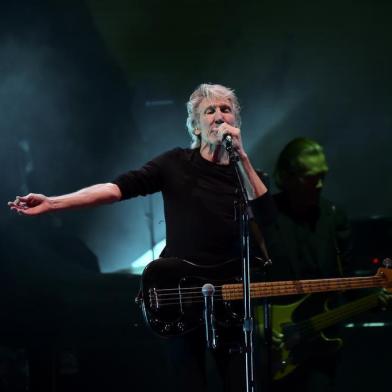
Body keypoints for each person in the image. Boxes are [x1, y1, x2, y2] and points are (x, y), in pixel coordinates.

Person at [8, 83, 275, 392]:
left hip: (229, 302)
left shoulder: (244, 175)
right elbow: (116, 189)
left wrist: (242, 157)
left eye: (226, 109)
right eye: (209, 111)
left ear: (236, 121)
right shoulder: (175, 164)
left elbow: (268, 218)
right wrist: (53, 202)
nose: (218, 117)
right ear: (196, 125)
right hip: (180, 297)